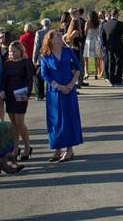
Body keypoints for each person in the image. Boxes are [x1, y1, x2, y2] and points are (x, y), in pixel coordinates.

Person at [39, 29, 83, 162]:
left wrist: (71, 84)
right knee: (55, 121)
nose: (59, 36)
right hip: (54, 92)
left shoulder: (68, 52)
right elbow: (44, 74)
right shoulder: (45, 56)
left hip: (69, 90)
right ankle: (58, 149)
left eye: (59, 35)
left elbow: (78, 67)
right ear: (50, 40)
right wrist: (58, 86)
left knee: (69, 119)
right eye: (56, 35)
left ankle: (69, 150)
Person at [3, 41, 35, 160]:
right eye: (10, 51)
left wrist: (27, 93)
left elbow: (29, 79)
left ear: (21, 51)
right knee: (13, 124)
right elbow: (4, 79)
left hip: (21, 93)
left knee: (19, 121)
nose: (12, 53)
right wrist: (2, 91)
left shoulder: (26, 62)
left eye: (14, 51)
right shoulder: (7, 64)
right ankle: (15, 149)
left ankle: (27, 147)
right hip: (10, 94)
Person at [100, 9, 123, 87]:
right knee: (119, 62)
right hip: (118, 45)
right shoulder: (119, 23)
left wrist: (105, 45)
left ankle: (111, 80)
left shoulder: (105, 24)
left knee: (111, 63)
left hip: (109, 46)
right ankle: (118, 80)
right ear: (116, 14)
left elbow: (103, 37)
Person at [32, 18, 51, 100]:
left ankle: (39, 95)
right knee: (50, 76)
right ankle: (49, 93)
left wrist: (34, 59)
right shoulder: (53, 32)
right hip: (51, 57)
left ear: (42, 25)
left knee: (39, 77)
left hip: (42, 57)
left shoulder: (39, 33)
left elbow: (36, 46)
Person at [63, 18, 85, 87]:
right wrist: (72, 46)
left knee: (74, 66)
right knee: (77, 65)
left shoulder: (70, 31)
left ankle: (76, 82)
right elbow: (69, 38)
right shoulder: (75, 31)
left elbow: (63, 37)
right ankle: (77, 82)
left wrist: (68, 45)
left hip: (74, 49)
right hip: (76, 50)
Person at [83, 11, 104, 81]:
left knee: (86, 58)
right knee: (96, 58)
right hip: (96, 40)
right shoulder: (98, 22)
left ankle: (86, 73)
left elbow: (85, 32)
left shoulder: (87, 23)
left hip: (89, 40)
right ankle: (96, 73)